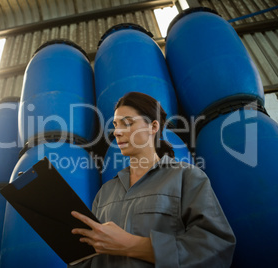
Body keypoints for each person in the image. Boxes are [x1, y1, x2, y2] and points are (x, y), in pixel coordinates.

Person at [70, 92, 236, 267]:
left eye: (127, 123)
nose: (117, 132)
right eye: (116, 125)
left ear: (153, 126)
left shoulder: (186, 177)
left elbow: (216, 248)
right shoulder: (105, 193)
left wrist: (131, 245)